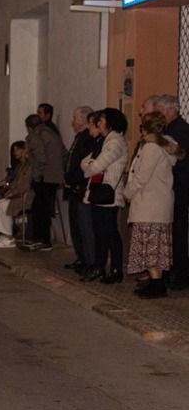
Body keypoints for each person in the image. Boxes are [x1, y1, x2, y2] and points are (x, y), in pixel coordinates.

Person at [125, 111, 184, 298]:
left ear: (145, 127)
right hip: (159, 203)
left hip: (149, 204)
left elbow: (142, 176)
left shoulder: (151, 147)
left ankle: (157, 284)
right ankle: (154, 280)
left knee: (150, 246)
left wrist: (128, 192)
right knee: (156, 246)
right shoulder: (166, 144)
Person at [80, 108, 129, 283]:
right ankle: (99, 267)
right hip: (98, 192)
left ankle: (115, 269)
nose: (98, 123)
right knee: (100, 233)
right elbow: (85, 161)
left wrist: (90, 165)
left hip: (107, 194)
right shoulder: (105, 141)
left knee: (109, 233)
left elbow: (94, 166)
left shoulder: (115, 142)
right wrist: (90, 164)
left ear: (110, 122)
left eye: (101, 120)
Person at [155, 94, 189, 290]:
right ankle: (171, 271)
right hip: (173, 187)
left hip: (179, 188)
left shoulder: (180, 130)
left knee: (178, 232)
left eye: (160, 111)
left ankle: (179, 274)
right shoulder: (170, 129)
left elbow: (180, 161)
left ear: (170, 110)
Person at [21, 113, 66, 251]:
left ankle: (42, 240)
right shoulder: (51, 132)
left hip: (44, 178)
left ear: (29, 127)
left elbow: (40, 159)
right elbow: (64, 152)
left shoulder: (36, 136)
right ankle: (43, 240)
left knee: (40, 210)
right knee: (44, 208)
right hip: (54, 176)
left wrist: (36, 177)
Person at [63, 106, 98, 273]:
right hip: (73, 188)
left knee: (85, 227)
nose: (72, 121)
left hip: (80, 188)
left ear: (84, 120)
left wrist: (71, 178)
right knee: (76, 226)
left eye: (75, 118)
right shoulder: (80, 137)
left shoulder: (88, 139)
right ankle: (81, 258)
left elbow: (84, 165)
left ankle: (89, 260)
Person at [0, 141, 31, 248]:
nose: (16, 152)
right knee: (0, 203)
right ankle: (4, 234)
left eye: (18, 149)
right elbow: (15, 182)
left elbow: (25, 184)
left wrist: (13, 192)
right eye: (14, 150)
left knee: (4, 206)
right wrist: (10, 190)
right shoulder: (20, 166)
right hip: (16, 194)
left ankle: (9, 237)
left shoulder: (30, 167)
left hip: (24, 196)